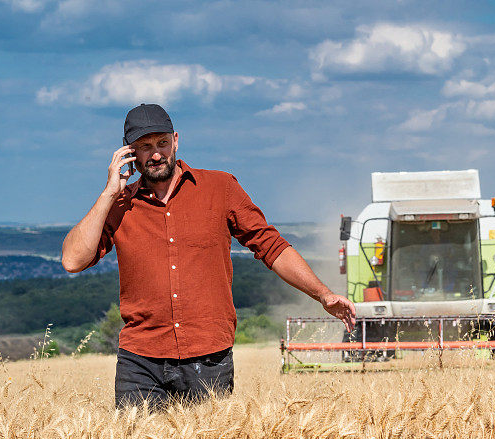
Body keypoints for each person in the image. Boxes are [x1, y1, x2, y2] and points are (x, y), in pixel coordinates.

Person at [61, 103, 356, 409]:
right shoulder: (119, 204)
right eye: (145, 147)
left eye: (162, 143)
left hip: (208, 357)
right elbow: (72, 260)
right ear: (129, 153)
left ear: (176, 139)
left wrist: (322, 294)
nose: (157, 154)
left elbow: (271, 246)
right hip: (141, 361)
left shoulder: (220, 188)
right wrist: (109, 193)